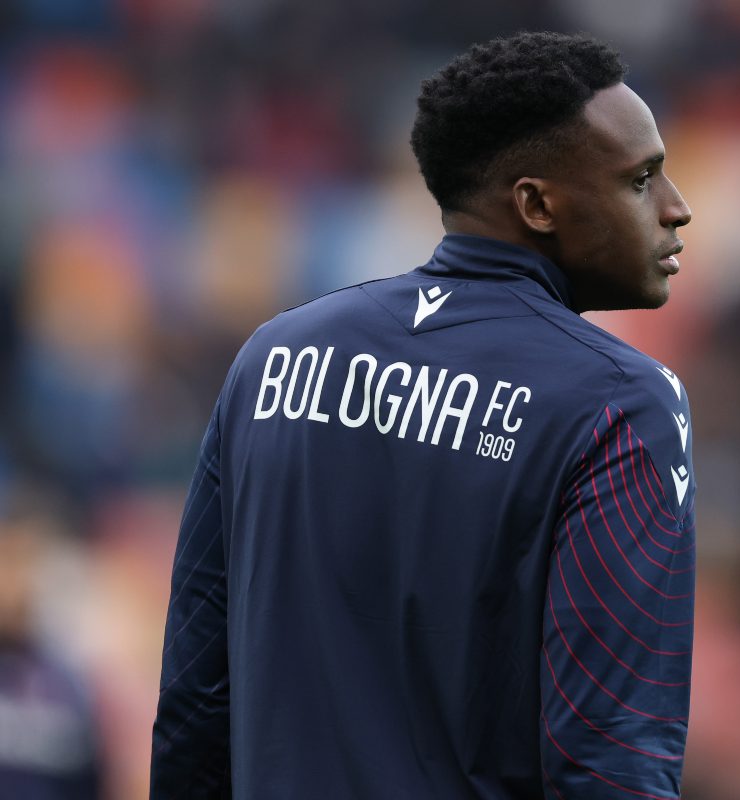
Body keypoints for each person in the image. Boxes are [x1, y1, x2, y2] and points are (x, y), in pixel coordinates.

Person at [151, 31, 696, 799]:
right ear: (537, 203)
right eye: (641, 181)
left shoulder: (273, 356)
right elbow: (611, 755)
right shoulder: (618, 402)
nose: (678, 209)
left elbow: (196, 708)